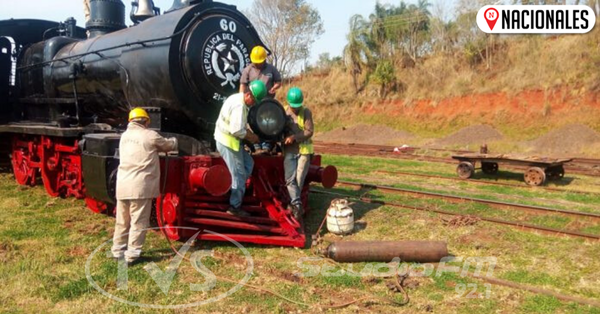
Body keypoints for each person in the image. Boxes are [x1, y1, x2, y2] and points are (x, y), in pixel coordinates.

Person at [111, 108, 178, 265]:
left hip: (123, 185)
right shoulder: (150, 135)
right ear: (146, 121)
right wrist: (175, 141)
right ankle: (132, 256)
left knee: (122, 220)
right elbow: (168, 145)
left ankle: (117, 250)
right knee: (138, 222)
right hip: (140, 187)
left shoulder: (124, 136)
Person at [215, 80, 267, 217]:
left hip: (231, 141)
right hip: (228, 142)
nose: (254, 103)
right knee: (238, 174)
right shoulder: (239, 106)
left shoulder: (238, 99)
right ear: (249, 94)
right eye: (254, 100)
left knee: (249, 164)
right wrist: (252, 137)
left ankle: (237, 189)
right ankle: (234, 206)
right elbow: (236, 130)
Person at [240, 46, 282, 153]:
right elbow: (243, 85)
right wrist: (241, 98)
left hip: (267, 103)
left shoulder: (271, 69)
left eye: (260, 61)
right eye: (256, 62)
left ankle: (266, 145)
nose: (258, 64)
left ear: (264, 59)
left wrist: (274, 88)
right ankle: (255, 145)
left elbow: (278, 82)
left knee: (266, 124)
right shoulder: (248, 70)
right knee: (252, 123)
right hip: (252, 102)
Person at [282, 87, 314, 220]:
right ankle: (297, 206)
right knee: (290, 179)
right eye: (292, 106)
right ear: (288, 103)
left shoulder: (306, 112)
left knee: (299, 180)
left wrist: (294, 137)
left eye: (297, 106)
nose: (294, 109)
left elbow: (309, 131)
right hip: (289, 150)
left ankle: (293, 205)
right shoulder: (283, 111)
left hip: (304, 151)